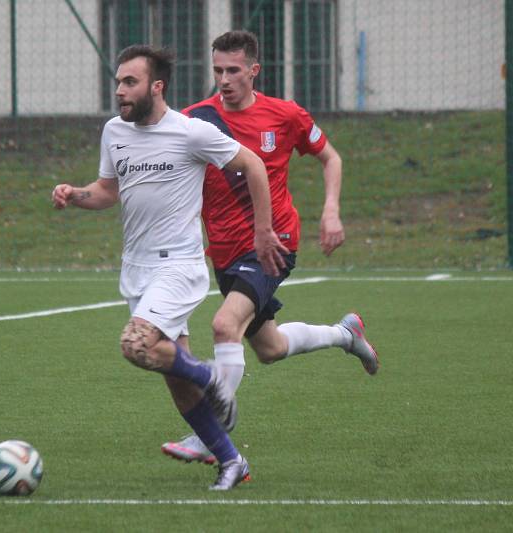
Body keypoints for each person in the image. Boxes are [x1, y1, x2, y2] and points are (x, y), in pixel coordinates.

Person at [52, 44, 288, 490]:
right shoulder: (114, 132)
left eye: (130, 82)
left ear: (156, 87)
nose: (120, 90)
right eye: (118, 81)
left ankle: (215, 381)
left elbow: (253, 165)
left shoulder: (191, 132)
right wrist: (75, 194)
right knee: (171, 376)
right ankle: (232, 461)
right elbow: (107, 190)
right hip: (136, 270)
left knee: (136, 345)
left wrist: (262, 232)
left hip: (178, 266)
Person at [160, 30, 379, 465]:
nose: (224, 79)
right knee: (270, 348)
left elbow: (330, 157)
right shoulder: (196, 120)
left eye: (233, 71)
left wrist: (330, 211)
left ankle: (209, 434)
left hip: (271, 245)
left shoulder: (285, 116)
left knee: (225, 327)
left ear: (253, 71)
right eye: (218, 70)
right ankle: (345, 334)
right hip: (223, 252)